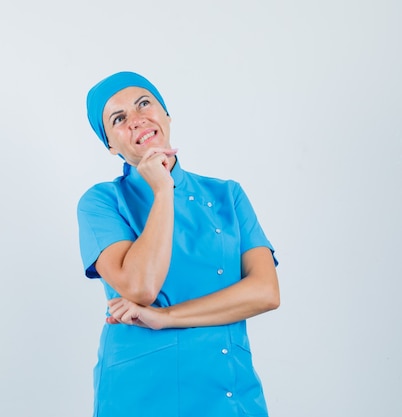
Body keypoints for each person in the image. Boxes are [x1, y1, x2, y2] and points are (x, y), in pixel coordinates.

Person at [77, 71, 280, 417]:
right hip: (141, 393)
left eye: (144, 103)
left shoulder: (227, 195)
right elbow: (141, 286)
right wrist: (162, 190)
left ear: (165, 114)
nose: (137, 119)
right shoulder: (101, 202)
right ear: (110, 144)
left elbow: (265, 292)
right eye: (119, 118)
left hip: (229, 390)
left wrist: (166, 316)